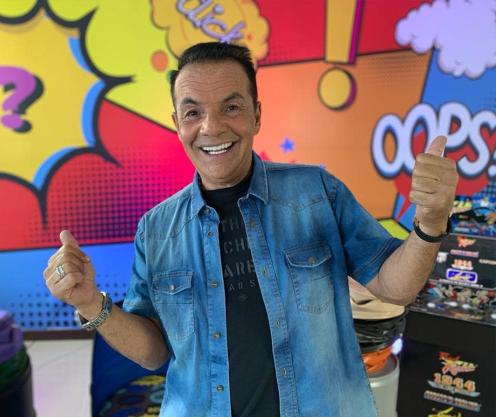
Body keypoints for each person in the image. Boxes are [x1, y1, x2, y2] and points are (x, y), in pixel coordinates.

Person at [43, 42, 458, 416]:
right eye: (193, 112)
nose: (211, 127)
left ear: (256, 115)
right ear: (177, 124)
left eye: (231, 107)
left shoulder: (317, 193)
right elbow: (154, 353)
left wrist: (431, 221)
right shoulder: (156, 230)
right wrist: (89, 303)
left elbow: (396, 287)